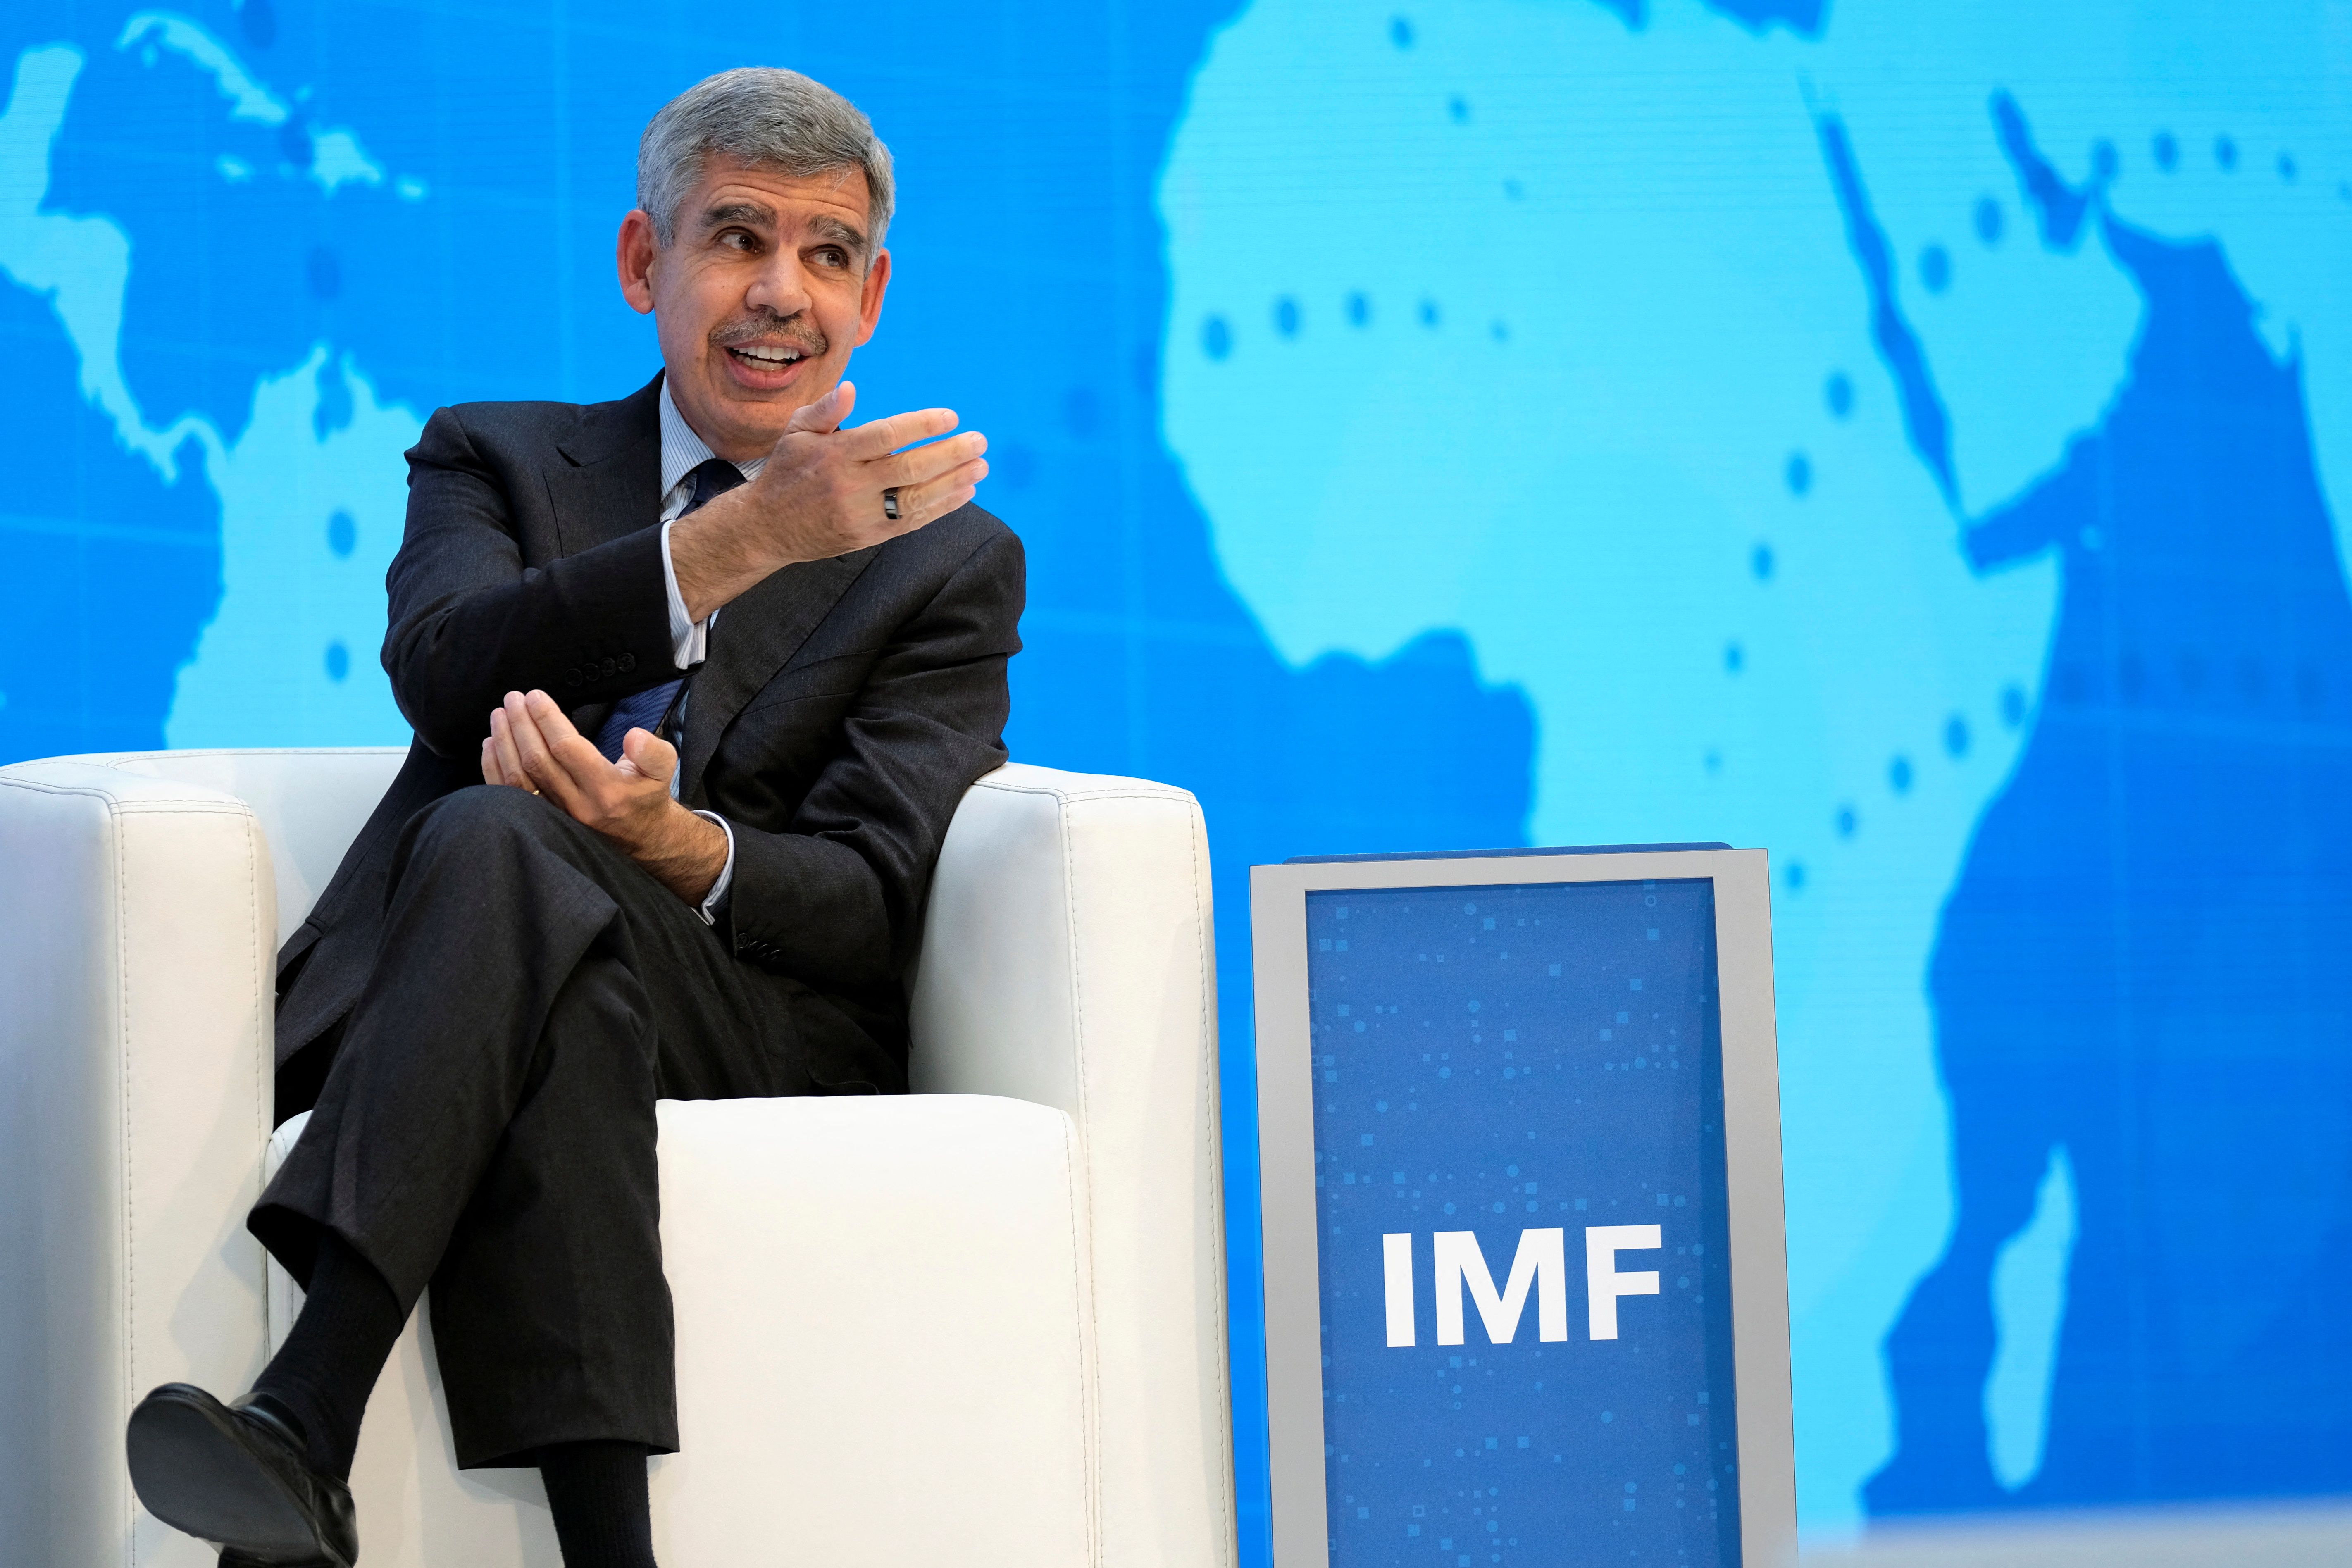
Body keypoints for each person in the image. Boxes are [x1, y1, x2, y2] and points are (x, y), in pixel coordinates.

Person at [120, 66, 1018, 1568]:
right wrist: (726, 546)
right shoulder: (495, 455)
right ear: (643, 261)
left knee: (508, 846)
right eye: (736, 237)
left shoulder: (945, 560)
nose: (779, 291)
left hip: (740, 1006)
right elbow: (442, 672)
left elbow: (875, 895)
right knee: (549, 947)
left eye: (826, 253)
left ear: (870, 297)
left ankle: (306, 1410)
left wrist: (682, 845)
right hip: (463, 979)